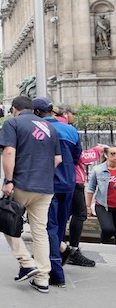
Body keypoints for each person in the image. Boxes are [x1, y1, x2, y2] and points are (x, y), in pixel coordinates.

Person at [0, 96, 62, 294]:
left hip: (21, 183)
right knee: (40, 232)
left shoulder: (13, 123)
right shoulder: (50, 127)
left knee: (6, 222)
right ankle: (42, 279)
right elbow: (58, 159)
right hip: (45, 187)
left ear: (14, 109)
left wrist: (8, 180)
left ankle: (26, 263)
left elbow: (9, 152)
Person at [33, 97, 81, 287]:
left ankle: (56, 272)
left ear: (36, 112)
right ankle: (56, 261)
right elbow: (77, 157)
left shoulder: (39, 130)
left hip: (48, 184)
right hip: (68, 183)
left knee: (49, 227)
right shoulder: (70, 130)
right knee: (59, 226)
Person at [56, 103, 97, 267]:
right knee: (79, 214)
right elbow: (79, 157)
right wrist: (97, 151)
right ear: (66, 114)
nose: (74, 116)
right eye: (73, 113)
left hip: (53, 179)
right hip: (72, 179)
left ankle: (58, 248)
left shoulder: (47, 127)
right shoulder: (69, 130)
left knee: (59, 216)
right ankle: (72, 250)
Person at [85, 145, 116, 244]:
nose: (115, 156)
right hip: (103, 205)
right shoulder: (98, 169)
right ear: (106, 155)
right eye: (112, 154)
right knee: (108, 229)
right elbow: (91, 189)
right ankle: (104, 243)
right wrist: (88, 207)